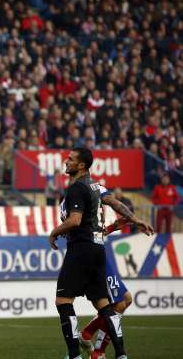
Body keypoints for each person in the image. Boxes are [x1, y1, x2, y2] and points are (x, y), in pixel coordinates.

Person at [48, 147, 153, 359]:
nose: (65, 162)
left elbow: (76, 221)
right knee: (107, 304)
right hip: (98, 249)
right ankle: (119, 353)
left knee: (65, 301)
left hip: (82, 249)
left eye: (70, 159)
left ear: (81, 165)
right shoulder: (96, 187)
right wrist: (134, 220)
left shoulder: (76, 190)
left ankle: (76, 353)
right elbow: (113, 203)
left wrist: (53, 233)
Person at [79, 214, 154, 359]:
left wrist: (113, 227)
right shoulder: (85, 203)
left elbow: (94, 234)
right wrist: (135, 220)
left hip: (97, 255)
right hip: (95, 259)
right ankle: (98, 351)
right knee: (119, 304)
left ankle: (87, 335)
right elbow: (87, 235)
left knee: (124, 300)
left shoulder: (86, 204)